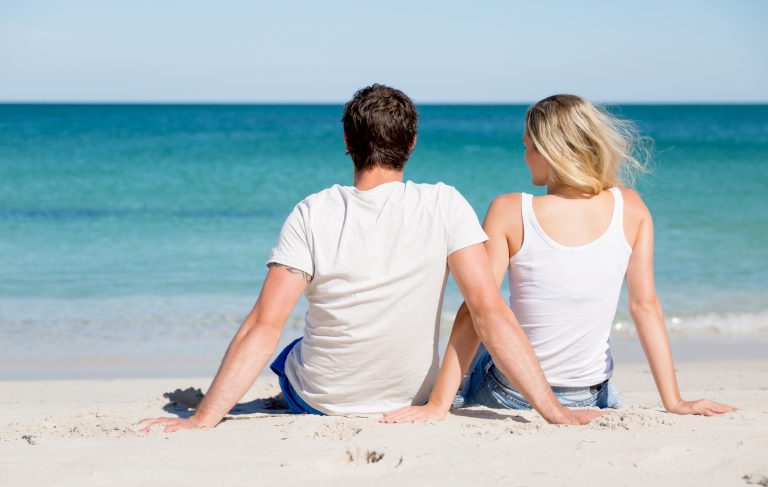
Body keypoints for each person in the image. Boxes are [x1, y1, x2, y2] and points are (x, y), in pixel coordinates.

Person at [138, 86, 601, 433]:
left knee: (286, 353)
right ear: (412, 143)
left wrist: (203, 418)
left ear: (347, 140)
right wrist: (553, 411)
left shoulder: (312, 211)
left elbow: (263, 324)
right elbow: (489, 311)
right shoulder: (445, 203)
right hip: (412, 397)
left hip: (322, 401)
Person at [382, 94, 735, 424]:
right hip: (590, 395)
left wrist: (437, 405)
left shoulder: (510, 210)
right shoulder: (631, 208)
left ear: (547, 150)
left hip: (511, 394)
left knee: (488, 325)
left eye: (527, 147)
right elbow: (645, 307)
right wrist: (674, 400)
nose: (524, 156)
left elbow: (476, 312)